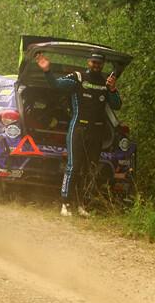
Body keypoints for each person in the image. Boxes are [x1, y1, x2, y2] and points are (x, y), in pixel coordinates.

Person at [36, 51, 121, 217]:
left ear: (102, 64)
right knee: (73, 166)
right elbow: (56, 85)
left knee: (91, 169)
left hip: (97, 132)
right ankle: (65, 203)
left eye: (99, 63)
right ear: (88, 61)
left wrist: (112, 89)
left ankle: (82, 204)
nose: (96, 65)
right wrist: (47, 71)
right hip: (78, 129)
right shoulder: (78, 77)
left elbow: (117, 105)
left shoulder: (106, 82)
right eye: (93, 62)